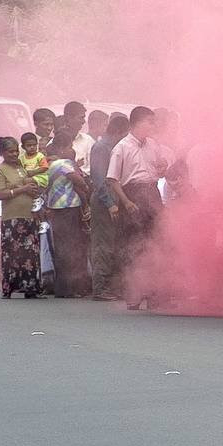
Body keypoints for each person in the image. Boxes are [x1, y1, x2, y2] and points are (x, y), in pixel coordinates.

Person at [106, 107, 169, 310]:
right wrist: (125, 202)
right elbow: (113, 180)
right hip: (132, 195)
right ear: (137, 123)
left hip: (151, 193)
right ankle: (133, 294)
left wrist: (162, 167)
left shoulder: (153, 145)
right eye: (149, 121)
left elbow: (159, 171)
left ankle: (154, 293)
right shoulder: (121, 147)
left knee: (155, 243)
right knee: (133, 245)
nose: (153, 126)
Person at [0, 136, 44, 299]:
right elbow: (0, 193)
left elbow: (29, 183)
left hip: (29, 217)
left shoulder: (21, 167)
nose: (14, 154)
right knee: (13, 254)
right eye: (10, 152)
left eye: (16, 151)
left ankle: (31, 288)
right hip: (12, 220)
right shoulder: (0, 170)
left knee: (30, 254)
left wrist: (32, 190)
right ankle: (9, 287)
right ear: (2, 153)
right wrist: (22, 189)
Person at [88, 113, 129, 301]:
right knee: (103, 244)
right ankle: (100, 287)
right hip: (104, 202)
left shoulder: (113, 147)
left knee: (113, 244)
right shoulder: (101, 148)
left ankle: (111, 285)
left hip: (114, 201)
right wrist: (110, 203)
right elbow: (98, 179)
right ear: (120, 131)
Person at [45, 135, 92, 298]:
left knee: (64, 247)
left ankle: (66, 287)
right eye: (69, 145)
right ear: (62, 148)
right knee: (70, 247)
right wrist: (85, 186)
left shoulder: (52, 164)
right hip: (67, 208)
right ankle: (69, 287)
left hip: (59, 209)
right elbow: (78, 180)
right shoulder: (61, 163)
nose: (72, 149)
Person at [62, 101, 95, 170]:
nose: (84, 121)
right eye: (81, 117)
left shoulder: (88, 141)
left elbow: (93, 168)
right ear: (69, 118)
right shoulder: (53, 143)